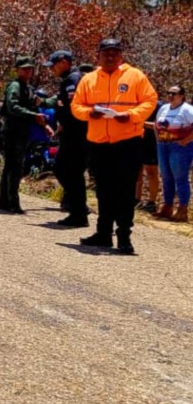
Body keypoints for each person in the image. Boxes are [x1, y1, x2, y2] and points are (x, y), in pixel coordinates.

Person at [71, 38, 157, 255]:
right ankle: (103, 233)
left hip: (127, 142)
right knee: (103, 191)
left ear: (121, 55)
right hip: (99, 143)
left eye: (114, 53)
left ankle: (124, 236)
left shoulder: (135, 76)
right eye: (106, 53)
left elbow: (150, 101)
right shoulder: (88, 79)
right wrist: (90, 113)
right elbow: (76, 106)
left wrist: (129, 116)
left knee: (125, 191)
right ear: (98, 55)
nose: (110, 57)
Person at [42, 50, 90, 227]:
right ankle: (78, 209)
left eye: (53, 65)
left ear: (63, 62)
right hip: (71, 132)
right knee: (68, 171)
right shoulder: (68, 80)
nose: (51, 69)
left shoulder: (73, 80)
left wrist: (65, 123)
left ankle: (78, 210)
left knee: (66, 170)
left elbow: (73, 108)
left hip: (76, 134)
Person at [0, 57, 47, 214]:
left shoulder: (27, 88)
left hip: (21, 131)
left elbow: (38, 103)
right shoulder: (15, 86)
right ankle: (12, 203)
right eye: (24, 69)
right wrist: (32, 115)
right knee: (15, 167)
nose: (28, 71)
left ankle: (5, 201)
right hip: (13, 131)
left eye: (30, 69)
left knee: (11, 166)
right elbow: (13, 107)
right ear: (17, 70)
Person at [152, 85, 193, 223]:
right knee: (166, 176)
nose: (170, 95)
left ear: (181, 96)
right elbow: (156, 124)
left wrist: (186, 140)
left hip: (179, 147)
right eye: (168, 93)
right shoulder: (164, 108)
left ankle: (182, 209)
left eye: (173, 93)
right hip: (163, 145)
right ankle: (167, 206)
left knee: (180, 178)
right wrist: (157, 137)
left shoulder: (187, 109)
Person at [136, 99, 164, 213]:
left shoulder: (159, 106)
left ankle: (151, 202)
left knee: (151, 172)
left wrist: (140, 122)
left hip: (151, 142)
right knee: (136, 172)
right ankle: (136, 199)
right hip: (135, 140)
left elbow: (159, 125)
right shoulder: (134, 103)